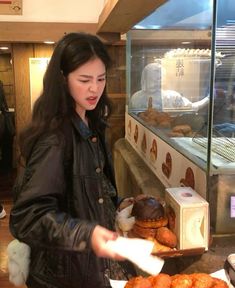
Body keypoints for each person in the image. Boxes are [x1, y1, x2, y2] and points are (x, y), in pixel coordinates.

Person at [9, 32, 136, 288]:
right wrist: (86, 234)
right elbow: (27, 217)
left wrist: (118, 203)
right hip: (64, 276)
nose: (95, 88)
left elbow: (86, 191)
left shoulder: (92, 122)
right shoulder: (55, 138)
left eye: (101, 79)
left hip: (91, 267)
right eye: (84, 79)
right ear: (63, 79)